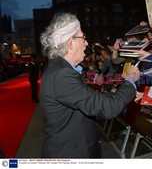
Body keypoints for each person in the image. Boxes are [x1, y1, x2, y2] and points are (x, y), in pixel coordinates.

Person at [39, 12, 140, 158]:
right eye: (83, 37)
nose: (86, 43)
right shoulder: (62, 75)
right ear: (70, 42)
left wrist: (120, 92)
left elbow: (90, 98)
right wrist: (130, 82)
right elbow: (107, 108)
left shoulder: (61, 69)